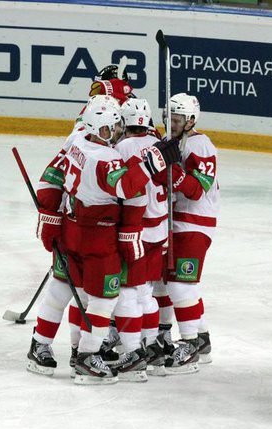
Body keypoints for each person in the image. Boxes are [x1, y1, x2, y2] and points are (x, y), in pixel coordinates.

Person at [27, 95, 181, 384]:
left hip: (70, 229)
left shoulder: (76, 141)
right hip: (99, 237)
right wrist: (155, 161)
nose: (118, 131)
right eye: (112, 127)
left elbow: (51, 176)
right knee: (103, 299)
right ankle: (86, 357)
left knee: (61, 289)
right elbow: (127, 187)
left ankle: (39, 345)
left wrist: (50, 217)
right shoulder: (105, 158)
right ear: (100, 128)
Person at [153, 93, 220, 374]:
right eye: (169, 117)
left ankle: (190, 346)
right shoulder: (170, 141)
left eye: (178, 119)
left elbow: (196, 189)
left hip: (195, 223)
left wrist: (170, 170)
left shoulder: (200, 144)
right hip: (175, 220)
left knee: (180, 285)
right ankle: (200, 339)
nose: (172, 123)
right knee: (169, 282)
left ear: (191, 120)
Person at [110, 98, 169, 379]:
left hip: (136, 232)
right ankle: (151, 348)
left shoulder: (122, 148)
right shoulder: (159, 145)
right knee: (146, 291)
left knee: (127, 293)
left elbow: (117, 188)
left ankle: (133, 353)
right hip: (160, 231)